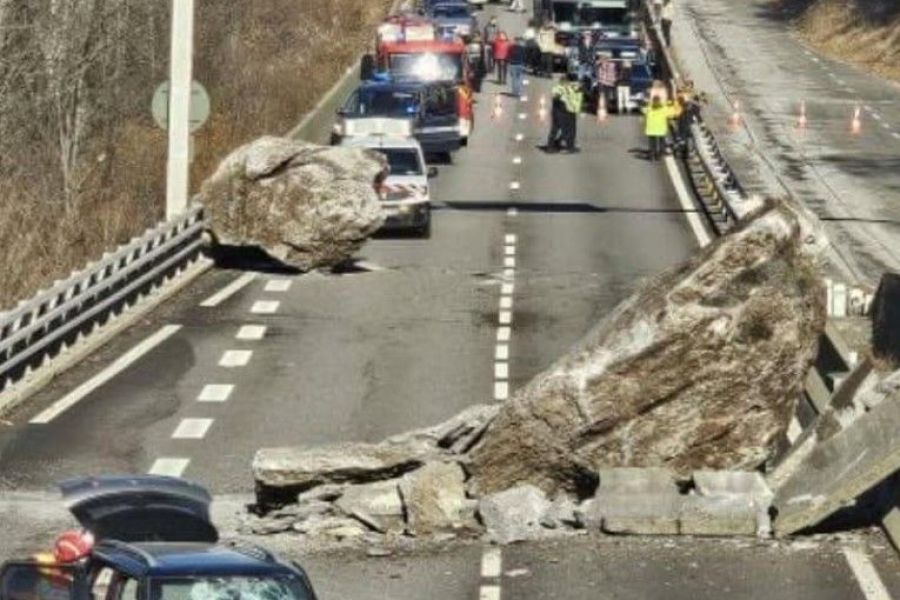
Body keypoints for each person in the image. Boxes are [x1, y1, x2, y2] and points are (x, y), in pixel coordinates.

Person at [643, 96, 675, 161]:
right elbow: (671, 114)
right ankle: (659, 156)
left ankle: (652, 155)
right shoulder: (664, 108)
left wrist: (647, 103)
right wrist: (670, 104)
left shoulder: (649, 108)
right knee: (661, 142)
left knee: (652, 143)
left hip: (651, 128)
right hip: (661, 128)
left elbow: (643, 110)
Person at [559, 80, 584, 152]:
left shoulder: (571, 88)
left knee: (569, 127)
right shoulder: (576, 88)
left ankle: (569, 145)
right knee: (570, 127)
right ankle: (569, 144)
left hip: (570, 109)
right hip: (571, 109)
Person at [545, 78, 567, 152]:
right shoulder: (557, 90)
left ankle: (558, 142)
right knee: (555, 129)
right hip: (558, 112)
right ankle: (550, 146)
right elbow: (557, 99)